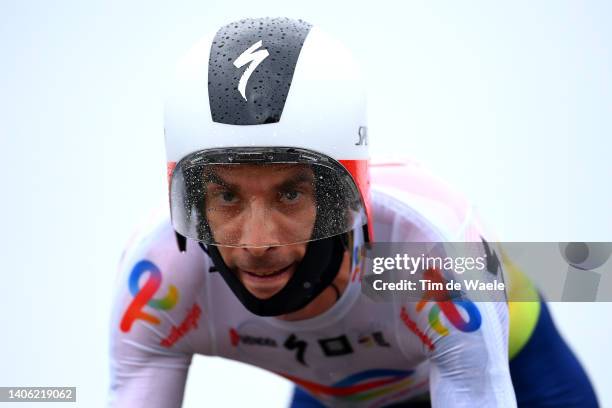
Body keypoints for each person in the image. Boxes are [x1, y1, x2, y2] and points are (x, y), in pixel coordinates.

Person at [108, 17, 598, 407]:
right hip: (339, 393)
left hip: (516, 371)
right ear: (191, 198)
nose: (256, 243)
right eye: (228, 197)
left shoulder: (423, 248)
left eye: (290, 196)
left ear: (348, 194)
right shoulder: (159, 274)